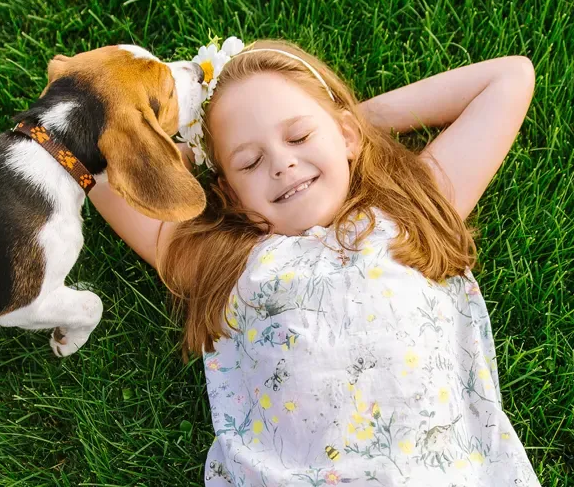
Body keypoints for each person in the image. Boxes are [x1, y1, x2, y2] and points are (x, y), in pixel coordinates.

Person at [88, 38, 539, 484]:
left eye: (300, 135)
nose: (282, 163)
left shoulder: (408, 217)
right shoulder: (227, 266)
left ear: (346, 136)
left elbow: (508, 78)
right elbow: (96, 169)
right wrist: (176, 156)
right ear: (228, 192)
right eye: (249, 162)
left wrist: (355, 118)